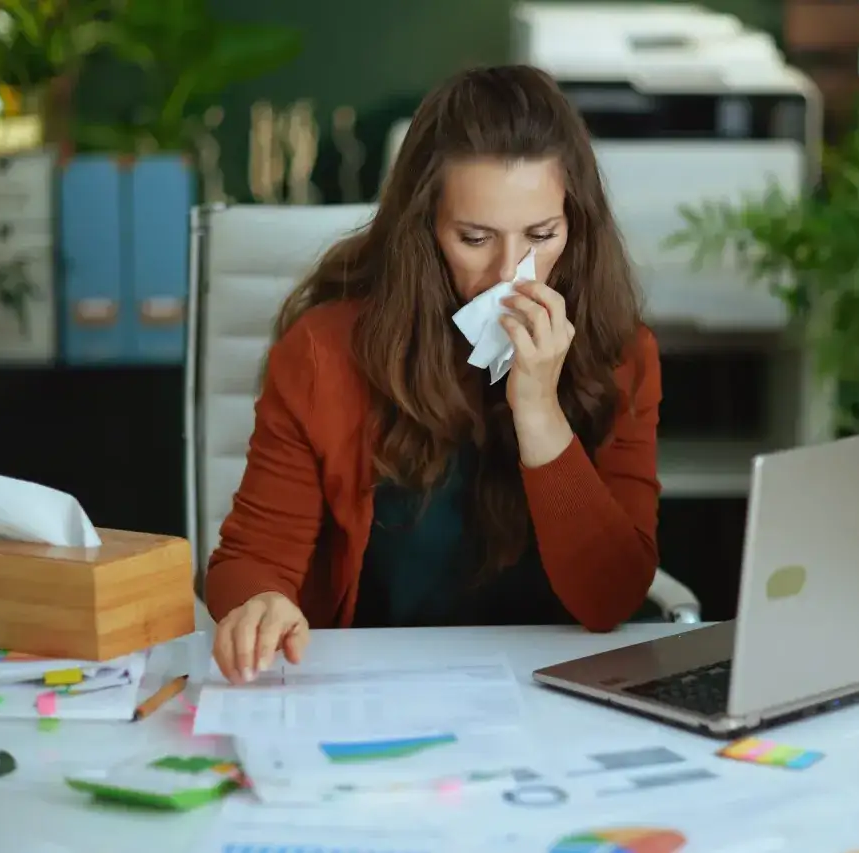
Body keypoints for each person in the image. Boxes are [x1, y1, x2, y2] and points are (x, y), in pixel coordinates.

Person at [205, 65, 662, 685]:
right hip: (372, 689)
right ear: (426, 231)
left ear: (574, 228)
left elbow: (612, 599)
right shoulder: (324, 353)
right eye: (475, 238)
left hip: (553, 696)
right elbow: (249, 561)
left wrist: (539, 412)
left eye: (540, 235)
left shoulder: (621, 353)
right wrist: (259, 603)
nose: (510, 272)